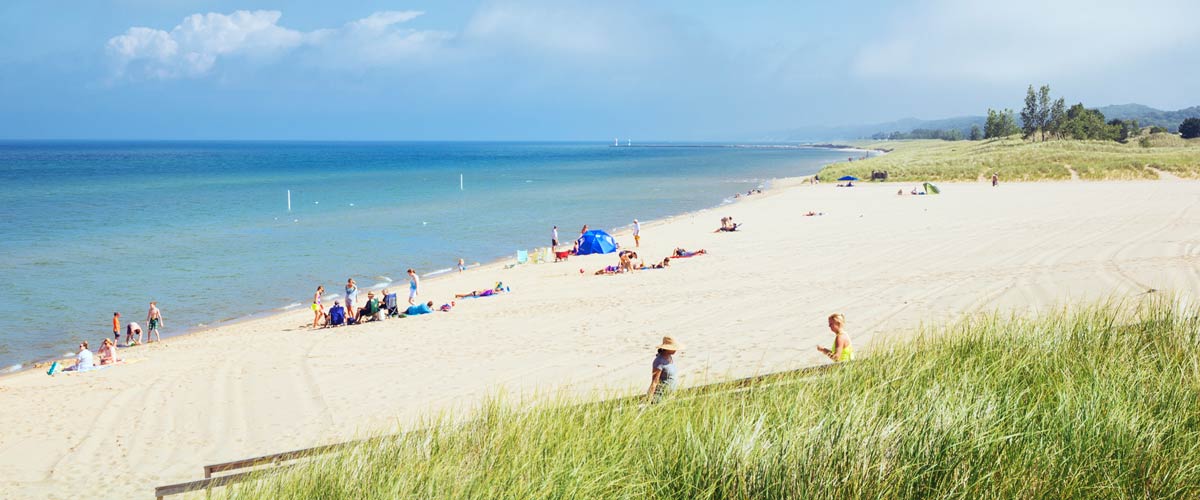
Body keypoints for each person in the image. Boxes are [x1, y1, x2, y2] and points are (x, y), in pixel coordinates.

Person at [646, 336, 680, 403]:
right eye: (673, 348)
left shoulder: (670, 357)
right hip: (661, 397)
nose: (675, 350)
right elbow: (655, 382)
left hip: (670, 396)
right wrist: (649, 400)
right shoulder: (659, 361)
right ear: (666, 348)